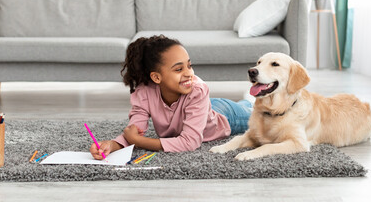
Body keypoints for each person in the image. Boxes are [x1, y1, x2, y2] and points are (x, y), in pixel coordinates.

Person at [90, 35, 253, 159]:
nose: (189, 73)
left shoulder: (197, 89)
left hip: (226, 117)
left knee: (259, 114)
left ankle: (250, 101)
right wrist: (112, 145)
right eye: (178, 69)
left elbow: (190, 142)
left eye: (189, 65)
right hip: (201, 109)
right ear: (156, 78)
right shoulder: (144, 92)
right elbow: (135, 130)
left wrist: (139, 142)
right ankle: (246, 102)